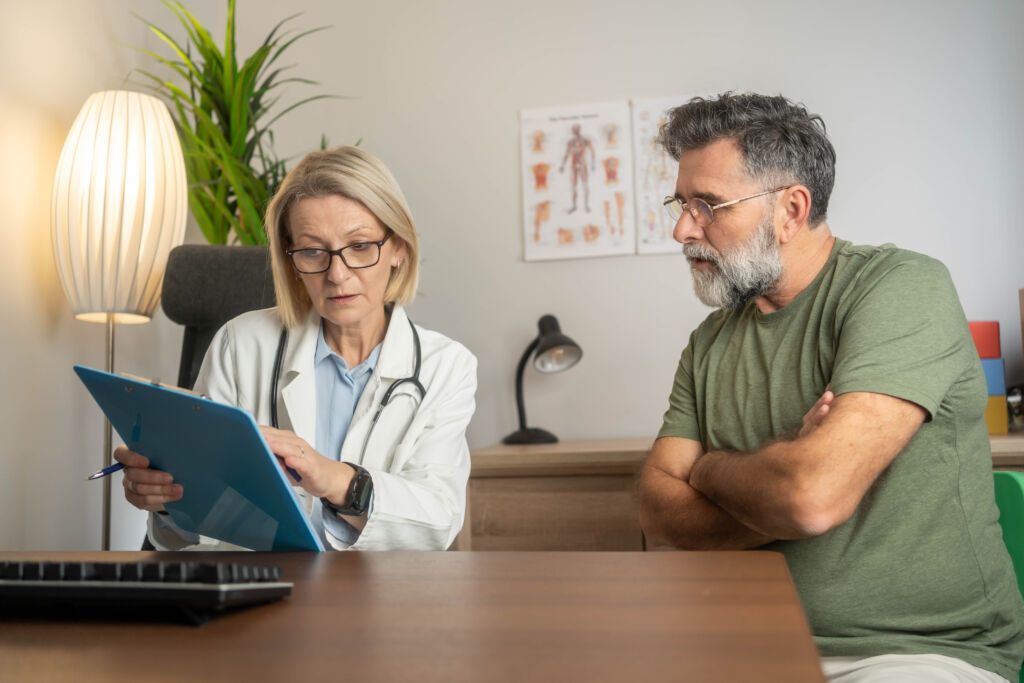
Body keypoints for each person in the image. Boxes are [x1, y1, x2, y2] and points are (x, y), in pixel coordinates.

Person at [638, 92, 1024, 682]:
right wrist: (782, 482)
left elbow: (811, 498)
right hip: (740, 651)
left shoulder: (901, 286)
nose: (682, 228)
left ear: (791, 209)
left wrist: (710, 472)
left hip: (910, 655)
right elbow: (659, 513)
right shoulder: (709, 342)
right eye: (681, 203)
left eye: (709, 204)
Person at [115, 146, 477, 551]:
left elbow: (438, 520)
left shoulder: (447, 366)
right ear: (291, 261)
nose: (337, 274)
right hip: (259, 593)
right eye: (312, 251)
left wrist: (334, 477)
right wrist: (167, 503)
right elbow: (191, 531)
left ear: (398, 249)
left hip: (378, 598)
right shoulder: (241, 344)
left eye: (359, 246)